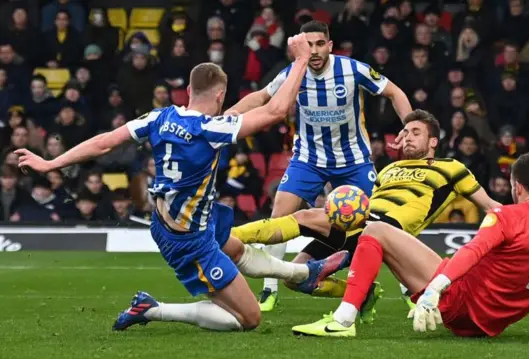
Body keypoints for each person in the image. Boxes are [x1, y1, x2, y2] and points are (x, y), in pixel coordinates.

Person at [14, 34, 350, 333]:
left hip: (175, 220)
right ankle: (154, 308)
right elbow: (276, 112)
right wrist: (301, 60)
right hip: (187, 238)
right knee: (248, 319)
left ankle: (302, 276)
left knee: (234, 248)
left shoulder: (159, 117)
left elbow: (104, 143)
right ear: (219, 96)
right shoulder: (211, 130)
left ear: (189, 90)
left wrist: (51, 162)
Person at [290, 152, 529, 339]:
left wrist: (433, 292)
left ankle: (343, 320)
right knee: (394, 242)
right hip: (489, 326)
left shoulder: (507, 216)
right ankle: (362, 297)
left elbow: (472, 252)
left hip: (455, 303)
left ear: (517, 186)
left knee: (375, 230)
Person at [232, 110, 502, 321]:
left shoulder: (451, 168)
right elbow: (366, 201)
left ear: (433, 141)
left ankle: (228, 235)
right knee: (296, 281)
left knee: (305, 216)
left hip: (386, 229)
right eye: (404, 131)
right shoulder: (389, 169)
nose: (407, 136)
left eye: (415, 132)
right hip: (359, 222)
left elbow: (491, 206)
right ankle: (364, 294)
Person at [225, 20, 412, 311]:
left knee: (380, 223)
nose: (313, 50)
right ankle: (269, 290)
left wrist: (409, 126)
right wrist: (232, 113)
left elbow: (395, 93)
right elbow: (262, 97)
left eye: (319, 44)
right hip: (308, 160)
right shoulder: (293, 74)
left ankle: (408, 291)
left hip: (353, 161)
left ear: (329, 46)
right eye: (308, 44)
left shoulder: (352, 70)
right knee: (279, 213)